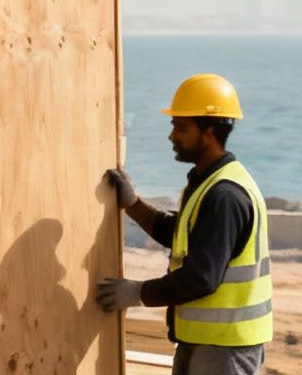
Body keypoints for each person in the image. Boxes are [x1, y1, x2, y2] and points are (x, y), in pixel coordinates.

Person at [94, 73, 271, 375]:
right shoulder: (205, 182)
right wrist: (134, 205)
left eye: (181, 127)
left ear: (210, 132)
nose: (172, 135)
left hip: (225, 347)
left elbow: (200, 278)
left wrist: (136, 293)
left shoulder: (225, 195)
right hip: (202, 340)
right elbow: (181, 236)